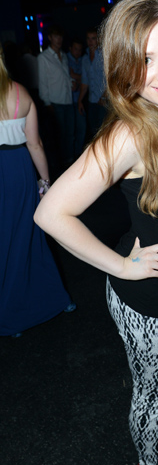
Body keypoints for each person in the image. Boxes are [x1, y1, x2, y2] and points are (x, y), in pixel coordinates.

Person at [35, 0, 158, 465]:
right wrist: (121, 266)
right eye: (145, 60)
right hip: (148, 296)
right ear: (123, 66)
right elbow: (51, 213)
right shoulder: (130, 132)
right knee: (153, 392)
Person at [0, 43, 75, 338]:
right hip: (19, 169)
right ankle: (54, 299)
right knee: (27, 238)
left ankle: (9, 315)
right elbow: (35, 144)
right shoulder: (20, 92)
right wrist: (45, 181)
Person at [37, 25, 74, 169]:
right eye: (56, 36)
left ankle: (69, 161)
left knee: (69, 134)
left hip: (68, 99)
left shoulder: (63, 55)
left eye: (60, 36)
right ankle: (62, 165)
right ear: (50, 38)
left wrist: (72, 83)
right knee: (59, 136)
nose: (59, 39)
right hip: (55, 102)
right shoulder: (43, 57)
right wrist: (47, 103)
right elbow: (42, 82)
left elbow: (65, 76)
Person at [78, 27, 106, 139]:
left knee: (103, 132)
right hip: (92, 100)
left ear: (98, 39)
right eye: (88, 39)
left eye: (93, 38)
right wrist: (80, 101)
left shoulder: (104, 55)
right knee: (93, 131)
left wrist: (104, 96)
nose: (90, 41)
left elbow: (111, 78)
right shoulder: (85, 58)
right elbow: (85, 82)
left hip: (105, 100)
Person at [67, 38, 87, 157]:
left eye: (80, 49)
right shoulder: (65, 59)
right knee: (70, 130)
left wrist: (78, 77)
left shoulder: (82, 59)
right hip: (68, 100)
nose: (78, 52)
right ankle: (70, 156)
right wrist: (82, 78)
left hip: (80, 99)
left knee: (81, 128)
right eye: (76, 49)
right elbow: (71, 75)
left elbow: (84, 77)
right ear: (70, 48)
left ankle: (78, 154)